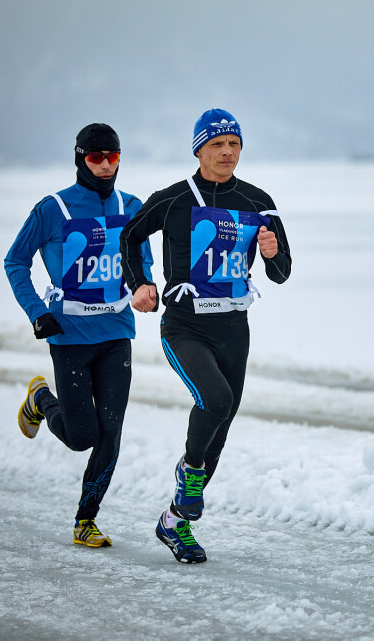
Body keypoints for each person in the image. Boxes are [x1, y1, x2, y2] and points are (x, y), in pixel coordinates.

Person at [119, 109, 291, 564]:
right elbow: (130, 235)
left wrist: (272, 254)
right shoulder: (175, 200)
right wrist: (139, 282)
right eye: (217, 145)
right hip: (185, 326)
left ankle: (175, 521)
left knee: (222, 419)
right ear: (199, 150)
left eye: (234, 144)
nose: (227, 152)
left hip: (235, 327)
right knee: (214, 399)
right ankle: (188, 478)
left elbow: (282, 272)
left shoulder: (258, 201)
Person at [4, 123, 154, 548]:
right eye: (96, 158)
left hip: (116, 334)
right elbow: (15, 262)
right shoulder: (51, 209)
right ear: (79, 158)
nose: (106, 166)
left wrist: (145, 287)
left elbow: (142, 260)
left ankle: (85, 520)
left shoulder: (133, 206)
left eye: (114, 157)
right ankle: (40, 400)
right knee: (81, 437)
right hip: (68, 337)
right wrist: (36, 313)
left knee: (111, 433)